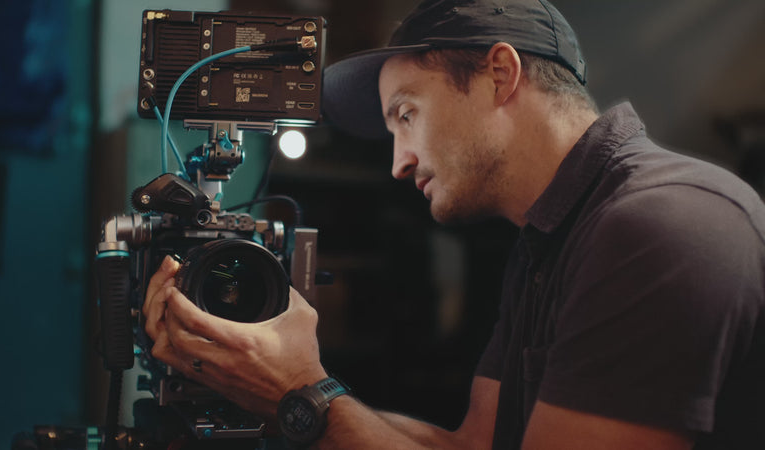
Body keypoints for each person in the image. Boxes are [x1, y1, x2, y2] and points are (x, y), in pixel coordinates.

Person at [143, 0, 765, 448]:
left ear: (500, 75)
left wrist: (298, 396)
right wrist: (264, 382)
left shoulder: (660, 224)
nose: (398, 162)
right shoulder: (552, 240)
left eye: (406, 114)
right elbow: (472, 446)